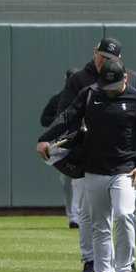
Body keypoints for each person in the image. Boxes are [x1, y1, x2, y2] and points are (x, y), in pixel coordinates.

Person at [37, 59, 136, 272]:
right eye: (105, 85)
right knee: (99, 225)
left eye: (112, 86)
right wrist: (45, 138)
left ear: (125, 79)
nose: (108, 90)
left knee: (124, 216)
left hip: (125, 171)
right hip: (94, 169)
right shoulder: (91, 94)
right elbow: (67, 117)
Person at [58, 38, 132, 272]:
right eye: (101, 56)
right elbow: (65, 114)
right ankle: (90, 259)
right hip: (87, 155)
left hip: (122, 158)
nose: (104, 61)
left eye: (109, 58)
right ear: (94, 53)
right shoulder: (79, 80)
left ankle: (127, 260)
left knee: (126, 213)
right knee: (89, 212)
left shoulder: (129, 78)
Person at [40, 68, 82, 229]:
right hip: (61, 142)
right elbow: (44, 119)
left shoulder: (85, 96)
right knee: (66, 181)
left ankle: (76, 216)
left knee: (79, 180)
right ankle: (72, 215)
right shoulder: (58, 98)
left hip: (78, 141)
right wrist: (59, 122)